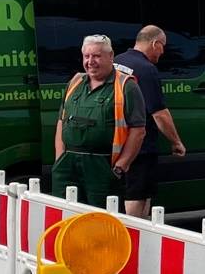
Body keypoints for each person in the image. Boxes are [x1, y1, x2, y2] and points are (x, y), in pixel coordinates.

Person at [53, 35, 148, 207]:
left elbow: (138, 130)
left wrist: (120, 167)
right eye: (87, 56)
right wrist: (60, 159)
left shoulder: (126, 86)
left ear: (111, 56)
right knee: (66, 220)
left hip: (103, 167)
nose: (90, 61)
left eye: (96, 56)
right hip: (68, 167)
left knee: (100, 223)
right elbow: (61, 121)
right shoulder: (75, 83)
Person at [116, 25, 185, 218]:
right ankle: (134, 238)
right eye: (163, 47)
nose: (163, 52)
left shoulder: (116, 61)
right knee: (138, 195)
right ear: (155, 44)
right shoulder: (146, 69)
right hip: (140, 145)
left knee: (124, 192)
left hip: (117, 140)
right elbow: (159, 114)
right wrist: (176, 141)